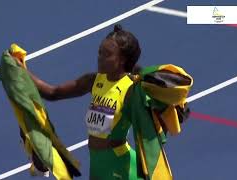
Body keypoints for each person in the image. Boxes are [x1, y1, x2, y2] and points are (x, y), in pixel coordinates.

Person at [14, 24, 193, 180]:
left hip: (121, 167)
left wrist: (170, 112)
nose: (100, 57)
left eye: (107, 54)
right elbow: (53, 92)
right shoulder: (94, 81)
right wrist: (21, 71)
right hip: (97, 164)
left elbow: (149, 125)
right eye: (100, 52)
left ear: (122, 60)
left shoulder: (130, 90)